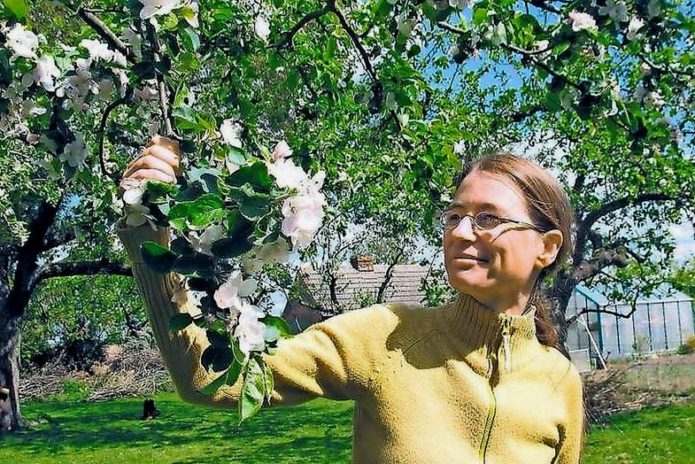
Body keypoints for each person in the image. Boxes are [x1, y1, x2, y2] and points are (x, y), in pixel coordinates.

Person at [118, 136, 584, 463]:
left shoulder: (560, 381)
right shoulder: (387, 336)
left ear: (546, 246)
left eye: (487, 218)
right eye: (455, 215)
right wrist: (147, 229)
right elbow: (211, 378)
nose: (461, 232)